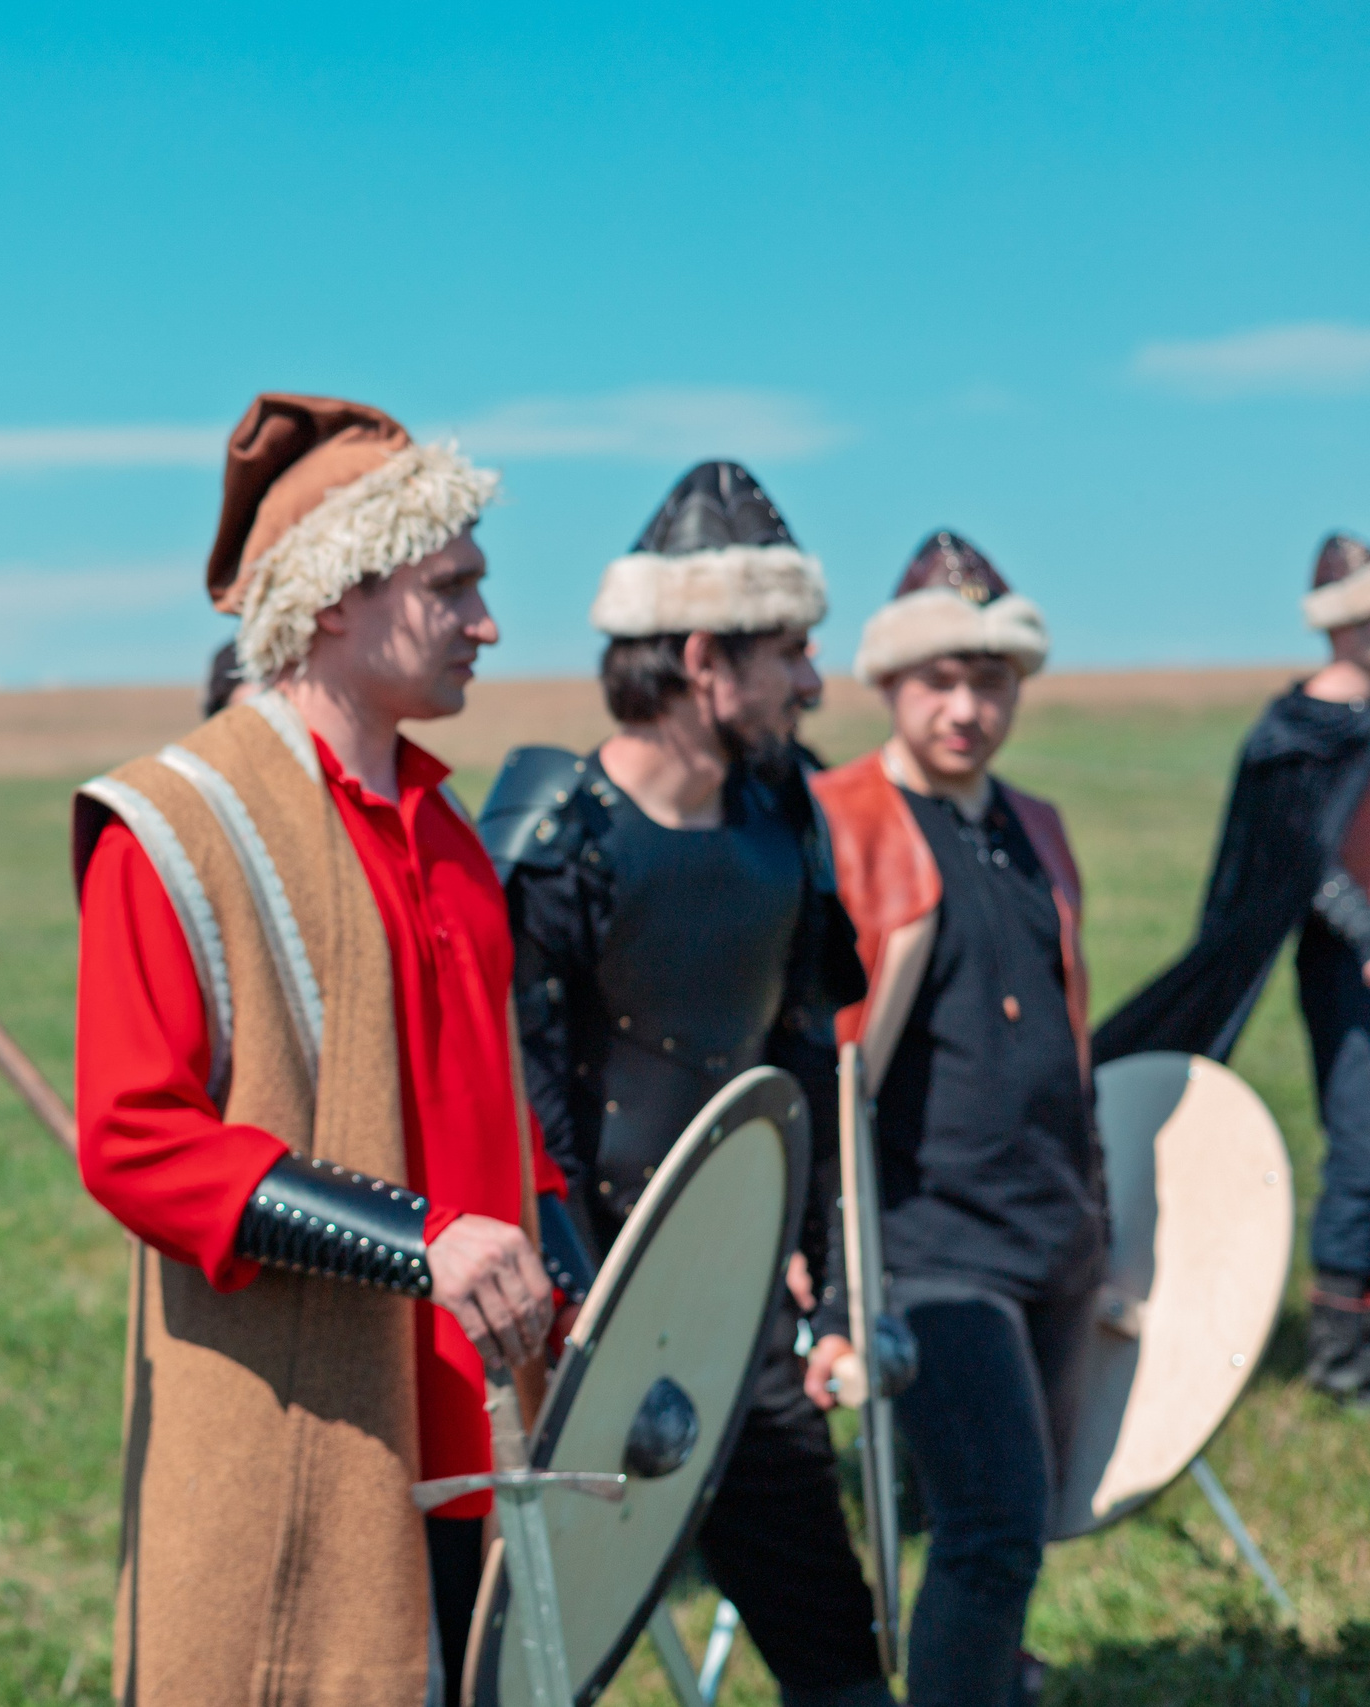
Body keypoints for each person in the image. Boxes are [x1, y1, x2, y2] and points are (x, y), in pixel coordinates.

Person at [73, 393, 566, 1706]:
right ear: (340, 593)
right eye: (453, 584)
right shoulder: (173, 818)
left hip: (494, 1428)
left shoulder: (450, 828)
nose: (488, 621)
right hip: (313, 1433)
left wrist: (563, 1251)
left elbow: (502, 1114)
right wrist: (421, 1235)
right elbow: (135, 1142)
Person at [484, 461, 889, 1707]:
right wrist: (569, 1321)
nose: (816, 681)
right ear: (705, 657)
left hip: (740, 1306)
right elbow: (521, 1098)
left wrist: (823, 1286)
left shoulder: (788, 814)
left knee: (839, 1662)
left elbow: (807, 1057)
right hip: (579, 1323)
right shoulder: (556, 835)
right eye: (790, 653)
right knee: (543, 1667)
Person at [812, 532, 1097, 1707]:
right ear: (890, 683)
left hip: (1048, 1232)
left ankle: (994, 1677)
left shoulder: (1036, 826)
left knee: (1014, 1517)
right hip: (928, 1249)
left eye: (989, 681)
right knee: (990, 1525)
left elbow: (1067, 1043)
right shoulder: (840, 820)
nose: (966, 707)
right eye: (939, 680)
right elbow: (822, 1077)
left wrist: (1104, 1219)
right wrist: (834, 1290)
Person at [1096, 532, 1370, 1402]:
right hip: (1348, 974)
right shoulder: (1295, 734)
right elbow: (1303, 864)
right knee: (1366, 1143)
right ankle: (1341, 1351)